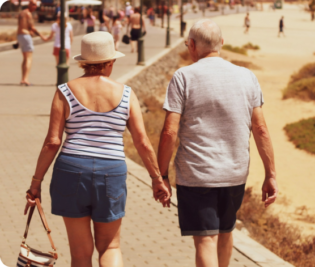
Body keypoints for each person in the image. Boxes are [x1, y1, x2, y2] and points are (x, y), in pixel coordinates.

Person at [24, 31, 171, 267]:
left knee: (81, 254)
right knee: (110, 246)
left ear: (83, 62)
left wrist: (35, 183)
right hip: (111, 171)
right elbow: (142, 142)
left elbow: (52, 142)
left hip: (71, 169)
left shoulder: (65, 90)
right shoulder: (126, 93)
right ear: (110, 62)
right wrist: (156, 179)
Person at [158, 19, 278, 267]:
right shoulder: (247, 76)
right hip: (234, 174)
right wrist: (270, 174)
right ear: (222, 43)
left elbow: (169, 132)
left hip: (197, 175)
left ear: (191, 45)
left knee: (206, 241)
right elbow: (261, 130)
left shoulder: (183, 77)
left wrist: (161, 175)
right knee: (225, 233)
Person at [16, 0, 46, 86]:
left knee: (25, 58)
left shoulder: (22, 13)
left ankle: (23, 78)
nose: (35, 7)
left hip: (20, 36)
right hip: (25, 36)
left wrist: (17, 40)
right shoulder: (28, 14)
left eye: (35, 5)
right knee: (29, 58)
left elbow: (20, 26)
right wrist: (42, 36)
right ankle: (25, 79)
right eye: (33, 5)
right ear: (29, 4)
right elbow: (33, 27)